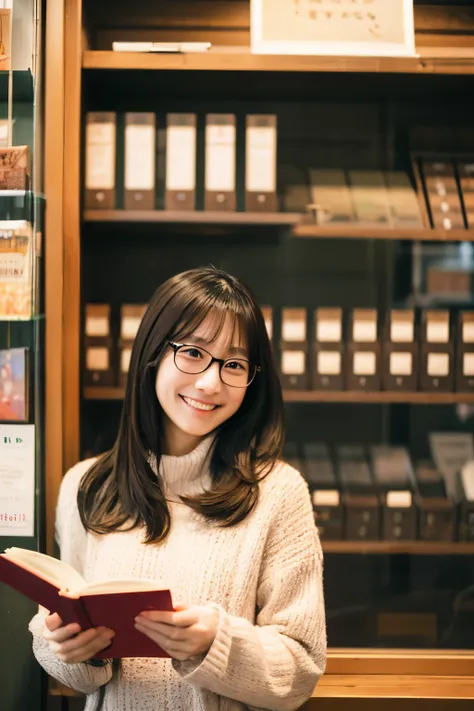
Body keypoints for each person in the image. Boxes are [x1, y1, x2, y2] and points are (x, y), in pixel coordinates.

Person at [29, 266, 326, 711]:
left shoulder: (278, 493)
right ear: (153, 353)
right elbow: (71, 660)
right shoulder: (87, 487)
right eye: (192, 353)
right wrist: (66, 651)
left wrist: (216, 642)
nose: (210, 382)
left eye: (234, 364)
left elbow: (301, 667)